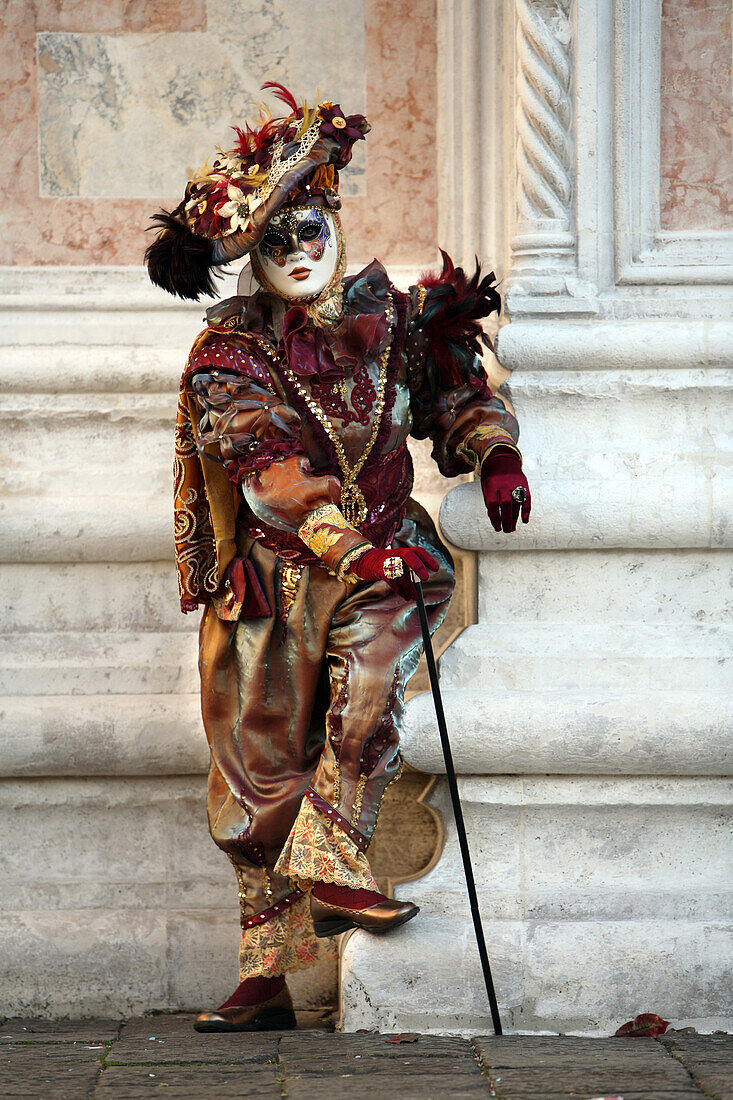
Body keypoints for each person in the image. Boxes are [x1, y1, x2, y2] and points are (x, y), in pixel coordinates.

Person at [145, 83, 531, 1032]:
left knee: (369, 692)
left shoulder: (395, 320)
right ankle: (268, 972)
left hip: (389, 568)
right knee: (257, 768)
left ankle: (335, 865)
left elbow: (453, 395)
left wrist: (495, 451)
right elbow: (264, 472)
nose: (298, 253)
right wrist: (344, 548)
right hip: (273, 582)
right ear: (250, 260)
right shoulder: (227, 355)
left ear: (335, 213)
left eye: (307, 227)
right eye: (273, 243)